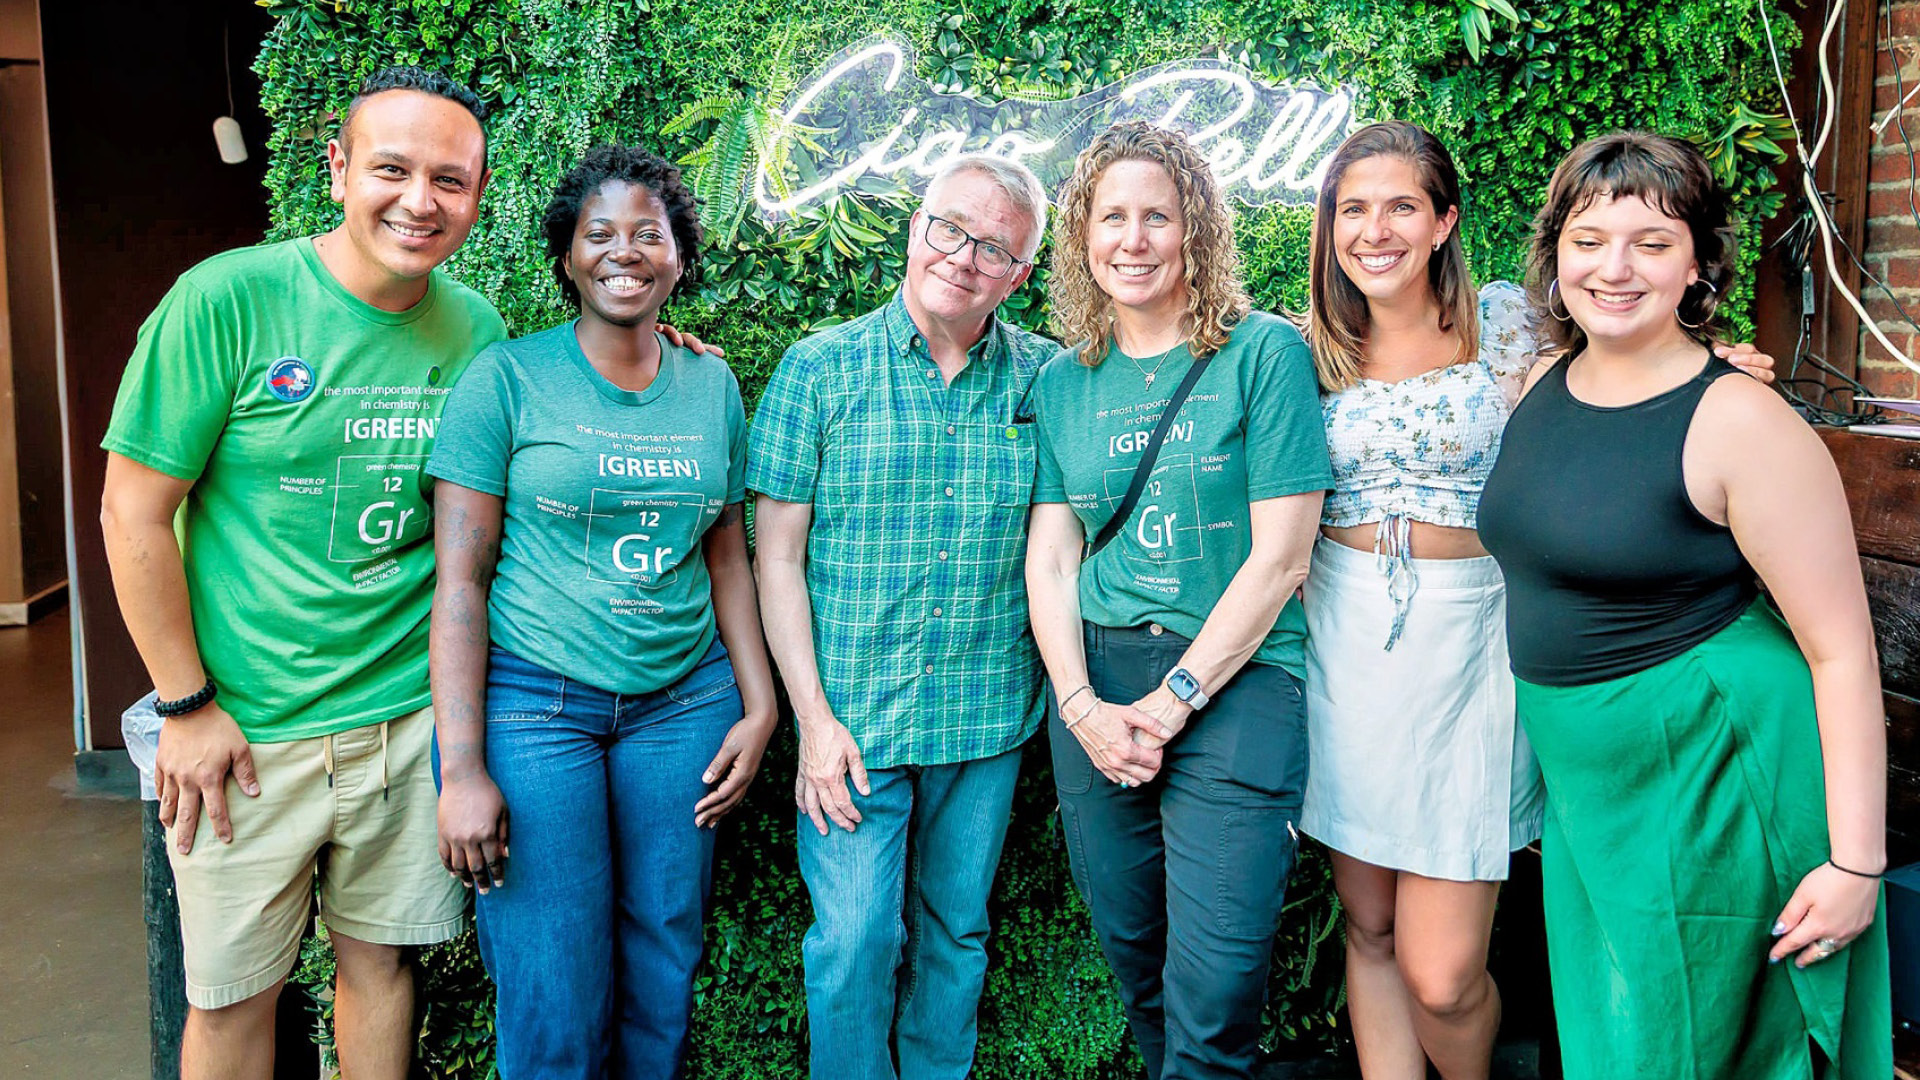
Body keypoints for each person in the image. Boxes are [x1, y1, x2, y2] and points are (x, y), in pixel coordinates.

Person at [1296, 121, 1779, 1080]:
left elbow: (1631, 367)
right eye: (1354, 209)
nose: (1375, 230)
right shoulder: (1303, 351)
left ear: (1445, 221)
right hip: (1342, 638)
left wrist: (1717, 370)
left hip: (1475, 639)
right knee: (1372, 925)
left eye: (1402, 206)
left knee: (1443, 973)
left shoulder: (1515, 322)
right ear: (1329, 228)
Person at [99, 67, 502, 1079]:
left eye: (449, 180)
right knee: (232, 1000)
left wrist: (658, 355)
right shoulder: (226, 301)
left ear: (478, 198)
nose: (421, 201)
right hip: (245, 736)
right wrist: (187, 706)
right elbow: (132, 511)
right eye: (393, 169)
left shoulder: (478, 331)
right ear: (337, 170)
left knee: (382, 970)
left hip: (405, 725)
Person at [1477, 131, 1892, 1079]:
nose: (1613, 268)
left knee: (1695, 1048)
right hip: (1593, 792)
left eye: (1651, 243)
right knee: (1614, 1032)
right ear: (1555, 254)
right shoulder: (1540, 382)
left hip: (1714, 769)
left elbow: (1840, 653)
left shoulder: (1741, 419)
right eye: (1588, 240)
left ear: (1699, 263)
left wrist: (1858, 864)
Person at [426, 144, 776, 1078]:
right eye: (601, 234)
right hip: (535, 707)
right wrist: (460, 767)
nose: (626, 252)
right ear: (569, 255)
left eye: (648, 234)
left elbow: (726, 553)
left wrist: (760, 704)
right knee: (553, 975)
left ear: (678, 256)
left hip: (684, 707)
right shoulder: (505, 380)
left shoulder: (712, 384)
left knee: (666, 955)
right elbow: (460, 582)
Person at [1024, 121, 1330, 1080]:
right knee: (1139, 967)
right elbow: (1051, 559)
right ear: (1083, 238)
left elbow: (1283, 556)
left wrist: (1175, 698)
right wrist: (1080, 706)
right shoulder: (1060, 383)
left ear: (1195, 228)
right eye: (1111, 217)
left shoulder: (1263, 354)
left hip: (1237, 683)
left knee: (1220, 982)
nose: (1134, 238)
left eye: (1158, 215)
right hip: (1098, 681)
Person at [748, 152, 1054, 1080]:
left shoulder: (1049, 382)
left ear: (1022, 273)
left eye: (993, 247)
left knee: (956, 934)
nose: (962, 256)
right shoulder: (819, 368)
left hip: (985, 718)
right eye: (948, 228)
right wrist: (812, 721)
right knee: (852, 941)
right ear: (916, 227)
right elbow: (777, 559)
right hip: (852, 728)